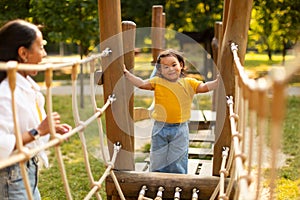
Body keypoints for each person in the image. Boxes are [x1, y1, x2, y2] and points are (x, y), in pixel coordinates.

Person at [0, 19, 72, 199]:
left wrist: (50, 130)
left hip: (28, 170)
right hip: (11, 175)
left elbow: (30, 128)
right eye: (40, 47)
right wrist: (38, 131)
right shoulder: (5, 92)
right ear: (23, 53)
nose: (45, 54)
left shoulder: (27, 87)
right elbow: (2, 144)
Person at [123, 49, 219, 174]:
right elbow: (141, 84)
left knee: (178, 155)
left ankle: (178, 177)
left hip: (180, 128)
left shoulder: (189, 83)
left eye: (174, 65)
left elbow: (204, 87)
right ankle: (157, 175)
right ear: (160, 70)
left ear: (181, 65)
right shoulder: (157, 82)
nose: (170, 69)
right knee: (158, 154)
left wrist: (217, 82)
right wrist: (127, 74)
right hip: (160, 126)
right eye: (165, 67)